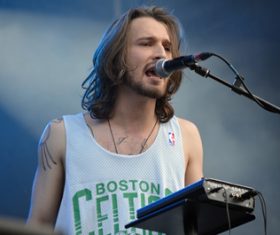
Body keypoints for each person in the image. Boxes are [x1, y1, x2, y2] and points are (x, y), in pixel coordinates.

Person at [27, 6, 203, 235]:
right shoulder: (62, 134)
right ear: (117, 56)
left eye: (167, 47)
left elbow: (195, 228)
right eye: (146, 43)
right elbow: (38, 224)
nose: (161, 54)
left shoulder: (186, 136)